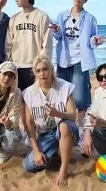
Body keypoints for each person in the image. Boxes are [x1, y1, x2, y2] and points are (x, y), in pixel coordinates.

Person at [52, 0, 104, 153]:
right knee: (62, 98)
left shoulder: (90, 19)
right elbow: (58, 36)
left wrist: (95, 41)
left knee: (81, 100)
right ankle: (62, 132)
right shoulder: (62, 15)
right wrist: (56, 31)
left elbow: (92, 40)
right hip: (63, 60)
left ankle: (81, 136)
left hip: (80, 62)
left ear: (85, 0)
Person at [22, 55, 78, 186]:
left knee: (63, 125)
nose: (42, 74)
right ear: (35, 73)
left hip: (67, 129)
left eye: (45, 69)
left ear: (51, 69)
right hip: (46, 135)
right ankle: (58, 150)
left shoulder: (65, 87)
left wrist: (57, 113)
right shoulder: (29, 93)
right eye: (38, 71)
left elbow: (73, 116)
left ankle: (64, 169)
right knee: (29, 166)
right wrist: (36, 151)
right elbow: (29, 124)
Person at [5, 0, 53, 91]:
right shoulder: (13, 18)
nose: (16, 0)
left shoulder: (42, 16)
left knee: (35, 97)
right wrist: (7, 63)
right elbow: (8, 43)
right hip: (16, 66)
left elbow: (47, 43)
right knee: (17, 97)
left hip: (34, 66)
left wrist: (43, 65)